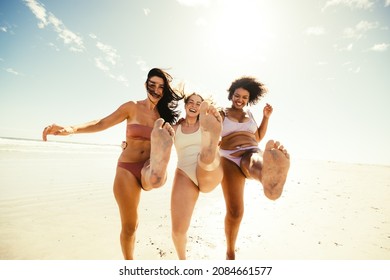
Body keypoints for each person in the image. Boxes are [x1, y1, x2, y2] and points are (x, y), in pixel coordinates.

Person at [42, 68, 183, 260]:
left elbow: (191, 124)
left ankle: (159, 165)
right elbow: (101, 123)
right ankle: (128, 264)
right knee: (130, 226)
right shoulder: (131, 107)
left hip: (147, 167)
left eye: (160, 87)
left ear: (164, 90)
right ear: (145, 85)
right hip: (127, 168)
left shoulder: (164, 117)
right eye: (152, 85)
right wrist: (71, 128)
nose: (156, 90)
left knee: (155, 176)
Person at [219, 76, 290, 260]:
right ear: (231, 95)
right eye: (237, 95)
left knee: (256, 164)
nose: (240, 99)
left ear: (248, 99)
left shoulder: (249, 114)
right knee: (235, 212)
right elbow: (211, 131)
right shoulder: (221, 112)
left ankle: (269, 179)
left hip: (251, 150)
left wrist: (265, 117)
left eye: (244, 97)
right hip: (228, 158)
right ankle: (230, 251)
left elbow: (258, 136)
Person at [170, 93, 223, 260]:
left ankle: (209, 151)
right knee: (178, 231)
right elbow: (154, 146)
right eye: (191, 102)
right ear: (185, 105)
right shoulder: (175, 128)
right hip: (185, 174)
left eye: (198, 103)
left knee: (207, 160)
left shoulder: (208, 122)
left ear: (202, 109)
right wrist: (127, 146)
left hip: (208, 170)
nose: (194, 105)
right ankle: (182, 261)